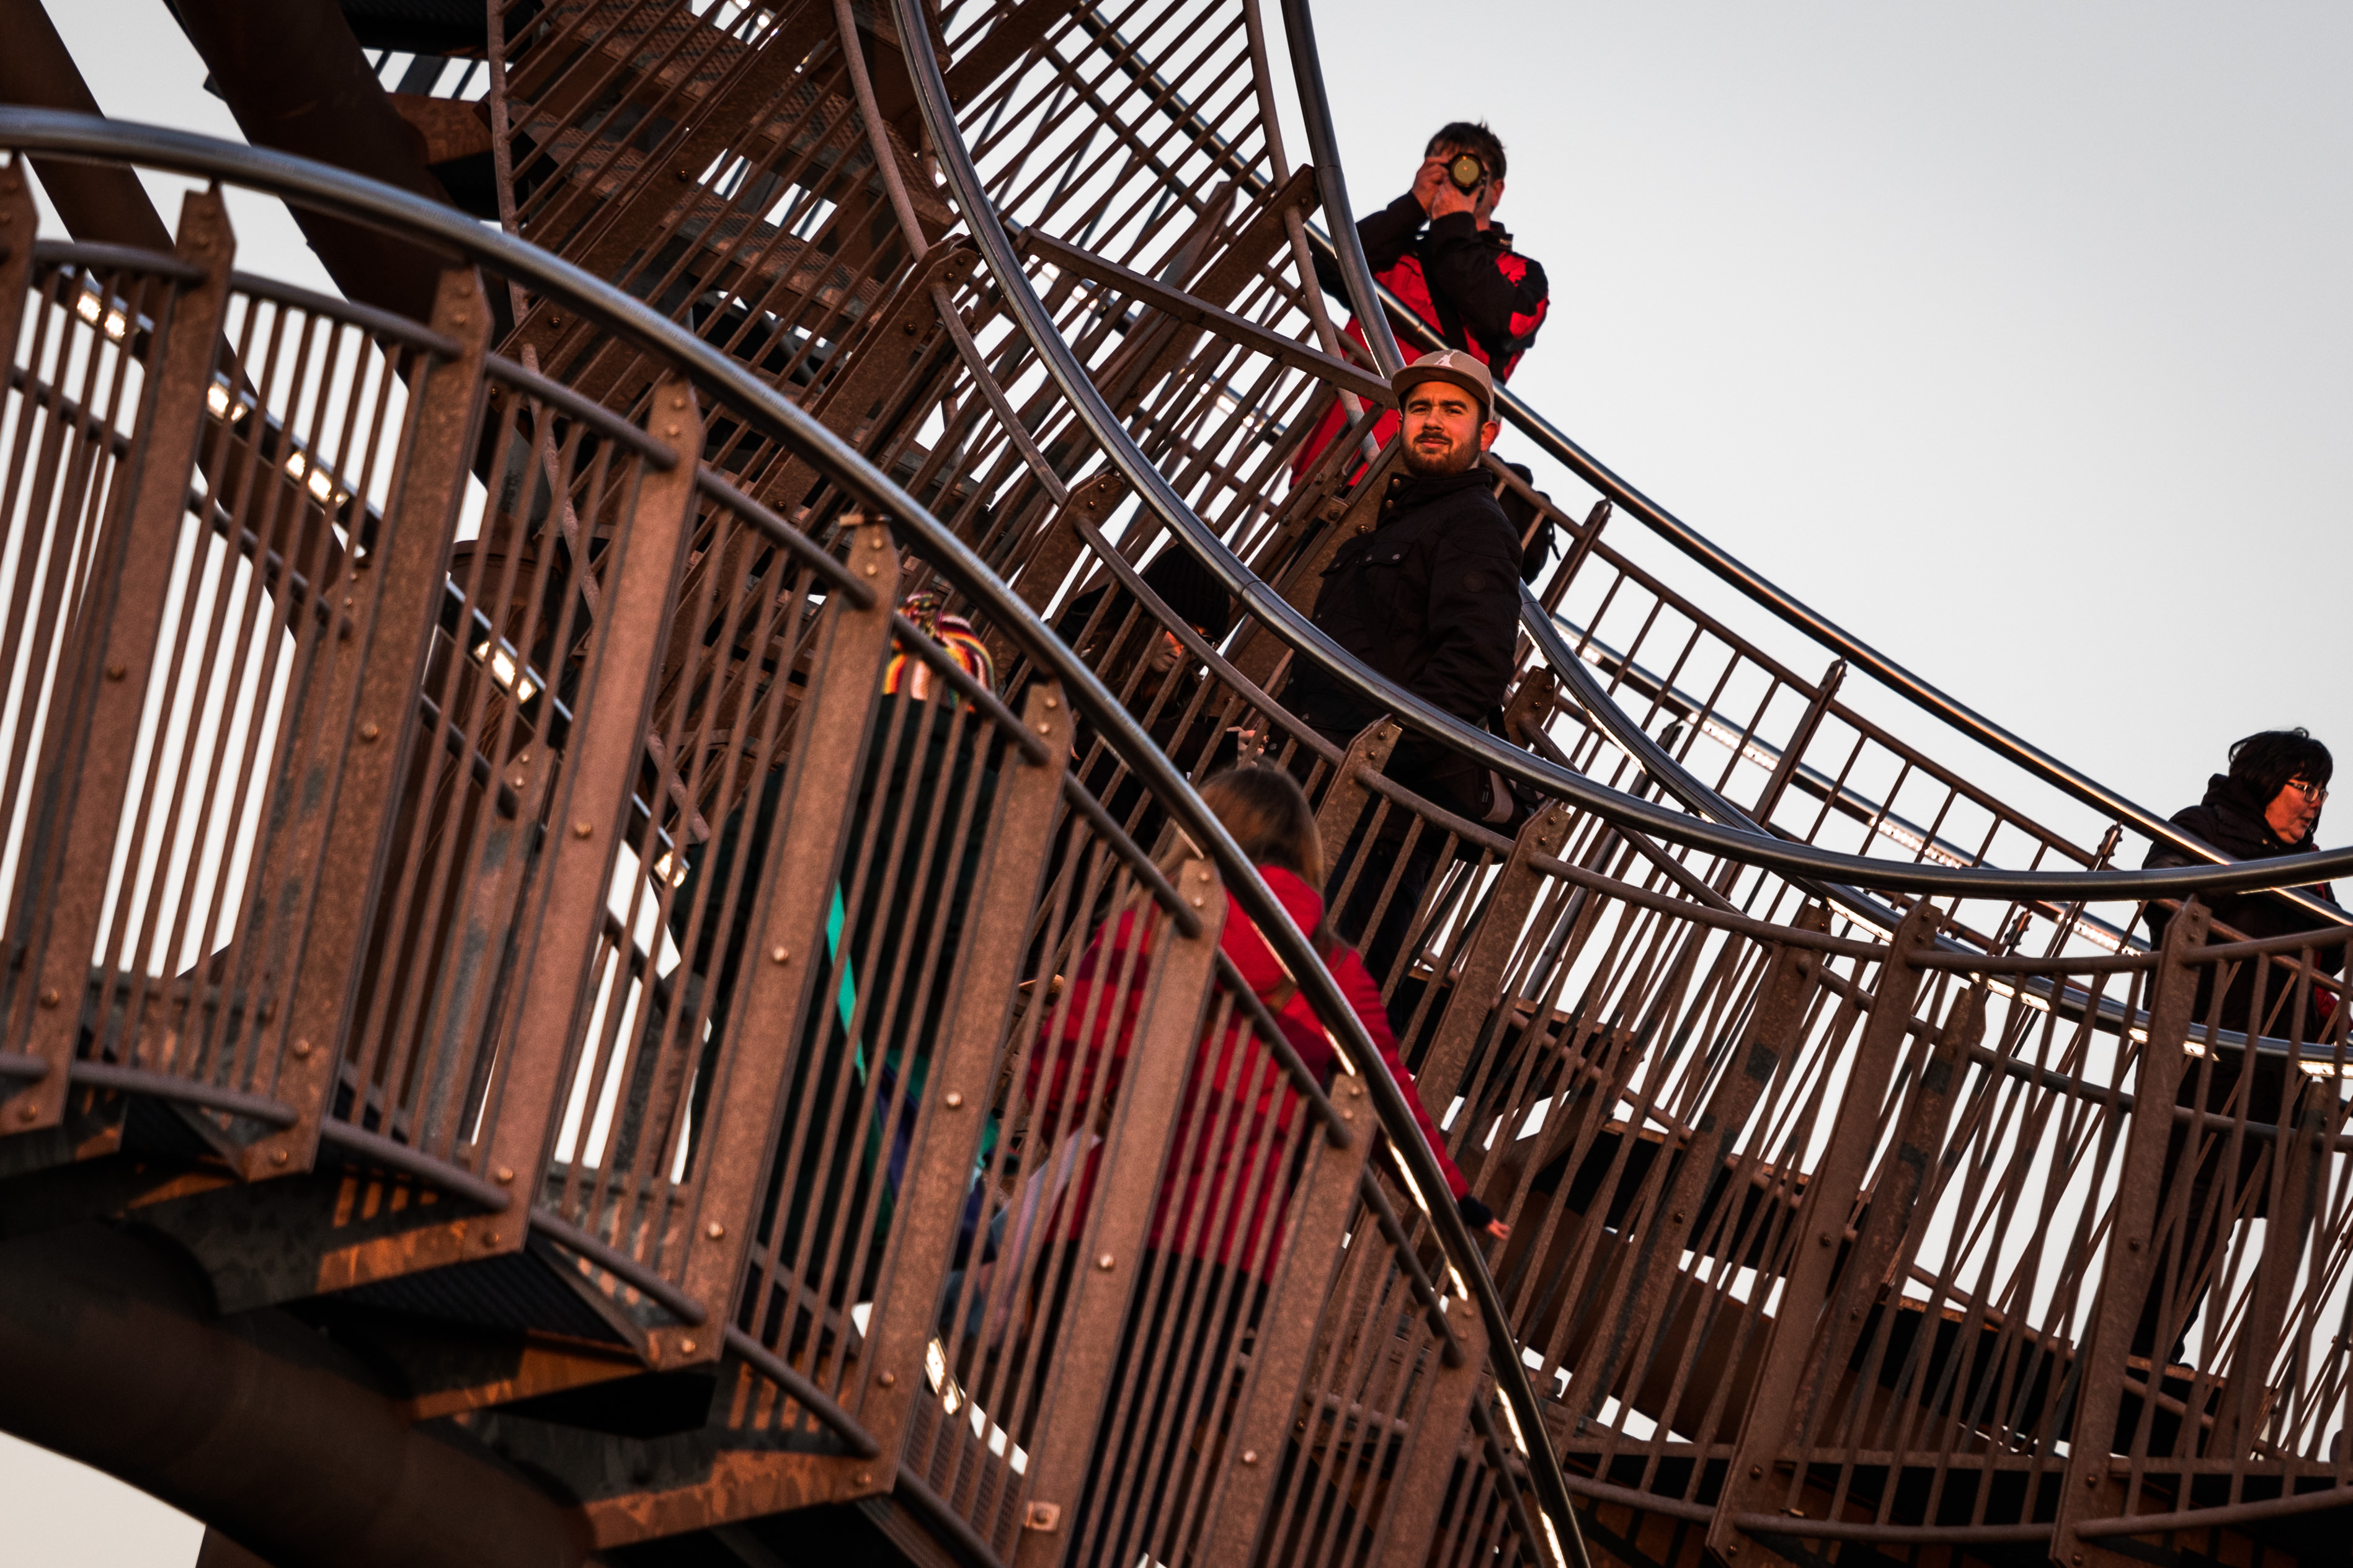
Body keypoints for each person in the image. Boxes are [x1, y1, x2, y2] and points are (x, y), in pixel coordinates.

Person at [1281, 349, 1526, 985]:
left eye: (1453, 409)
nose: (1433, 420)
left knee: (1305, 1006)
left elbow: (1474, 671)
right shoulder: (1395, 520)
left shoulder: (1475, 526)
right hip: (1312, 792)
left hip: (1370, 825)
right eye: (1420, 408)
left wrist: (1374, 760)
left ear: (1486, 434)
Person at [2132, 729, 2346, 1365]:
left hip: (2269, 1073)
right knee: (2175, 1203)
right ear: (2265, 779)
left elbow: (2333, 952)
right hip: (2197, 1051)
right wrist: (2259, 883)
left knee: (2213, 1216)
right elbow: (2162, 893)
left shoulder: (2311, 867)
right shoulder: (2205, 827)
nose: (2315, 802)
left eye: (2322, 790)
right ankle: (2134, 1350)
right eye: (2304, 786)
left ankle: (2155, 1351)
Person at [1293, 120, 1550, 482]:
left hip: (1431, 466)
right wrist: (1413, 206)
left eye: (1468, 170)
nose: (1454, 178)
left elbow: (1504, 322)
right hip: (1334, 449)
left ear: (1495, 191)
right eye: (1442, 166)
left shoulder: (1519, 272)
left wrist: (1454, 226)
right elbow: (1329, 264)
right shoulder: (1396, 249)